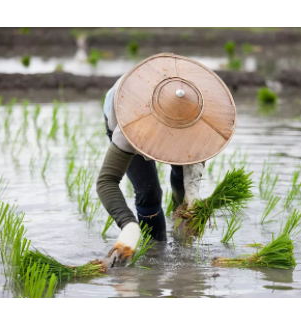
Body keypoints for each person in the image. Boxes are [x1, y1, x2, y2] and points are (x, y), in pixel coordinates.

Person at [96, 53, 236, 267]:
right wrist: (128, 224)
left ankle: (181, 240)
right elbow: (106, 181)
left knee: (182, 178)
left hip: (187, 113)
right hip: (126, 110)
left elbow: (191, 174)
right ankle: (154, 252)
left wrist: (190, 205)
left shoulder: (202, 122)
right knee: (149, 192)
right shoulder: (130, 125)